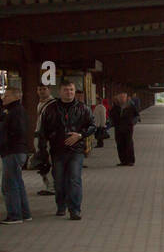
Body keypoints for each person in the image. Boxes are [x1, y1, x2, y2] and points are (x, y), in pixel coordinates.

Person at [39, 79, 95, 220]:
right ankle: (61, 205)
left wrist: (80, 135)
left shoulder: (83, 108)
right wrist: (42, 150)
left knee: (74, 179)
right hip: (57, 150)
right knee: (59, 180)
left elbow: (92, 125)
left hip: (76, 150)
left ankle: (75, 209)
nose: (69, 92)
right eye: (66, 90)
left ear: (74, 91)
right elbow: (43, 131)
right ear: (60, 91)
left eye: (71, 90)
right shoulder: (50, 108)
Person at [1, 86, 33, 224]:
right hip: (17, 150)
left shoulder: (14, 112)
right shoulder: (15, 111)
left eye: (7, 95)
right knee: (18, 183)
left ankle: (15, 215)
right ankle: (25, 213)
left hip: (12, 151)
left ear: (16, 97)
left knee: (10, 184)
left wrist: (5, 142)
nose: (4, 98)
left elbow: (16, 131)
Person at [34, 84, 55, 195]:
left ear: (49, 90)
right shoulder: (40, 104)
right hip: (39, 135)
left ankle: (51, 187)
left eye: (44, 89)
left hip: (46, 138)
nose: (42, 91)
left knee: (47, 160)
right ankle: (48, 186)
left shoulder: (52, 104)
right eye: (39, 89)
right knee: (42, 161)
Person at [109, 92, 139, 166]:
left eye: (123, 97)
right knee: (120, 144)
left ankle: (130, 160)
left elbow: (137, 116)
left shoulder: (131, 106)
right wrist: (113, 123)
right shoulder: (115, 107)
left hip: (128, 128)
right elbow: (111, 115)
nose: (122, 98)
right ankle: (123, 161)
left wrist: (132, 123)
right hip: (118, 128)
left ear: (126, 98)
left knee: (129, 143)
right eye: (120, 97)